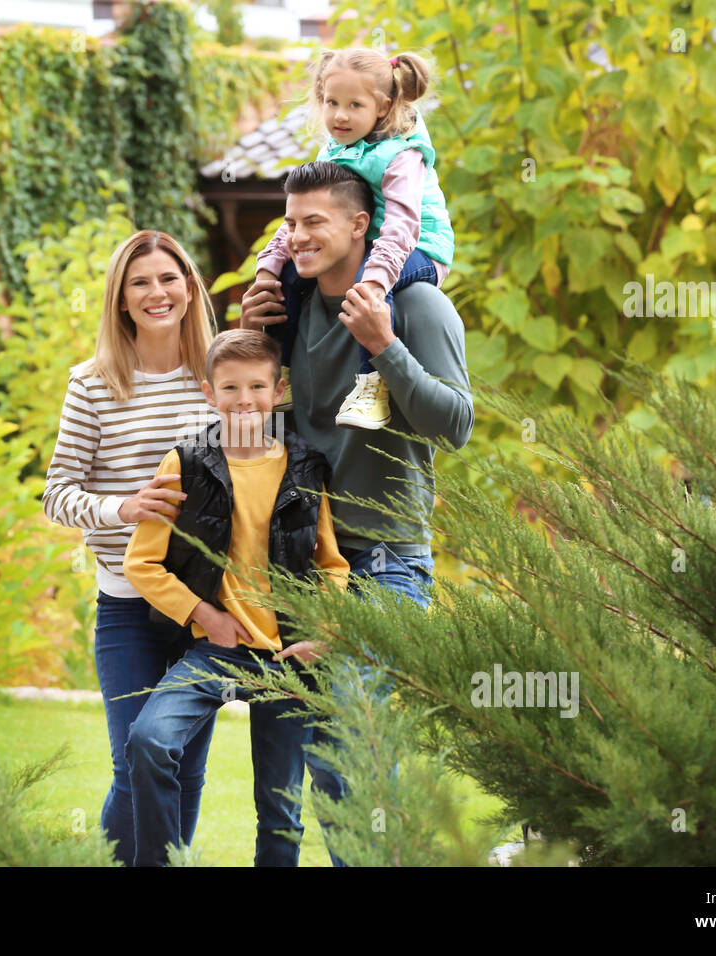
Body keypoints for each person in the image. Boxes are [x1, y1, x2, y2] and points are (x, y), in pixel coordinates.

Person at [240, 160, 473, 867]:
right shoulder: (298, 305)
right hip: (304, 563)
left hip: (385, 564)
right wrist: (258, 341)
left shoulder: (417, 305)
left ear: (360, 225)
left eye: (315, 222)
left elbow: (455, 424)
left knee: (348, 744)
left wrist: (385, 345)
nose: (299, 236)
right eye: (291, 223)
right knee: (301, 764)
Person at [122, 329, 350, 866]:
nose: (243, 400)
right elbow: (141, 562)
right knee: (150, 741)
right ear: (209, 392)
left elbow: (332, 565)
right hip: (218, 647)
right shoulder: (186, 463)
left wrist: (324, 631)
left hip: (289, 659)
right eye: (229, 388)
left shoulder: (306, 467)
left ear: (279, 390)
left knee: (280, 811)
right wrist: (205, 615)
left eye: (255, 386)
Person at [42, 230, 219, 867]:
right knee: (133, 763)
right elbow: (56, 493)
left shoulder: (217, 379)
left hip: (203, 608)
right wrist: (124, 508)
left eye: (168, 278)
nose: (156, 293)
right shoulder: (93, 384)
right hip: (127, 607)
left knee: (182, 768)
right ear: (120, 300)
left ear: (189, 286)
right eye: (139, 282)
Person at [255, 47, 454, 431]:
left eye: (354, 105)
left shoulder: (403, 154)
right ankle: (283, 373)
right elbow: (297, 219)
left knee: (369, 292)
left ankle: (371, 384)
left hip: (419, 247)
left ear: (382, 106)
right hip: (375, 245)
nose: (339, 115)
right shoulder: (333, 150)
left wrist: (376, 282)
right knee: (287, 280)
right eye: (331, 102)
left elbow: (402, 227)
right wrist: (268, 269)